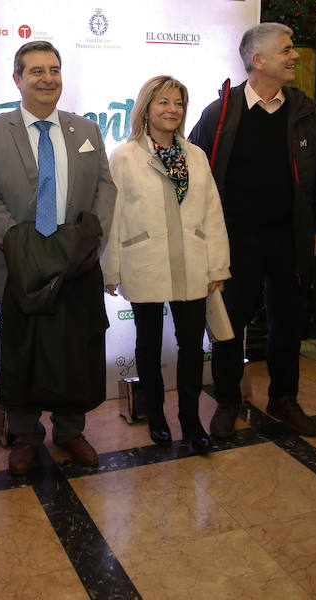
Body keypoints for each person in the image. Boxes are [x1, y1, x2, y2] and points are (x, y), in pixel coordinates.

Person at [0, 41, 116, 475]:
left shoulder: (86, 131)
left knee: (77, 351)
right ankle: (25, 436)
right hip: (20, 267)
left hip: (77, 266)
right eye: (36, 71)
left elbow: (105, 189)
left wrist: (87, 241)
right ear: (17, 78)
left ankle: (70, 431)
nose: (47, 78)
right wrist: (23, 247)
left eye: (54, 69)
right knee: (22, 354)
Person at [188, 22, 316, 439]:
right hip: (235, 242)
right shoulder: (220, 113)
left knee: (288, 323)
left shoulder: (305, 113)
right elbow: (199, 177)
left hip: (290, 239)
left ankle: (284, 398)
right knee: (229, 325)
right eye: (286, 50)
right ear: (259, 60)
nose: (294, 56)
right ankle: (228, 399)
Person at [102, 75, 230, 452]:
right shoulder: (124, 157)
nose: (172, 110)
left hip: (193, 264)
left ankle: (191, 422)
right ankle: (155, 417)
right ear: (146, 108)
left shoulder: (196, 155)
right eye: (163, 102)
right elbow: (114, 217)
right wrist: (111, 269)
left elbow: (212, 212)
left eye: (178, 103)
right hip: (146, 262)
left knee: (191, 346)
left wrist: (218, 265)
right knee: (149, 344)